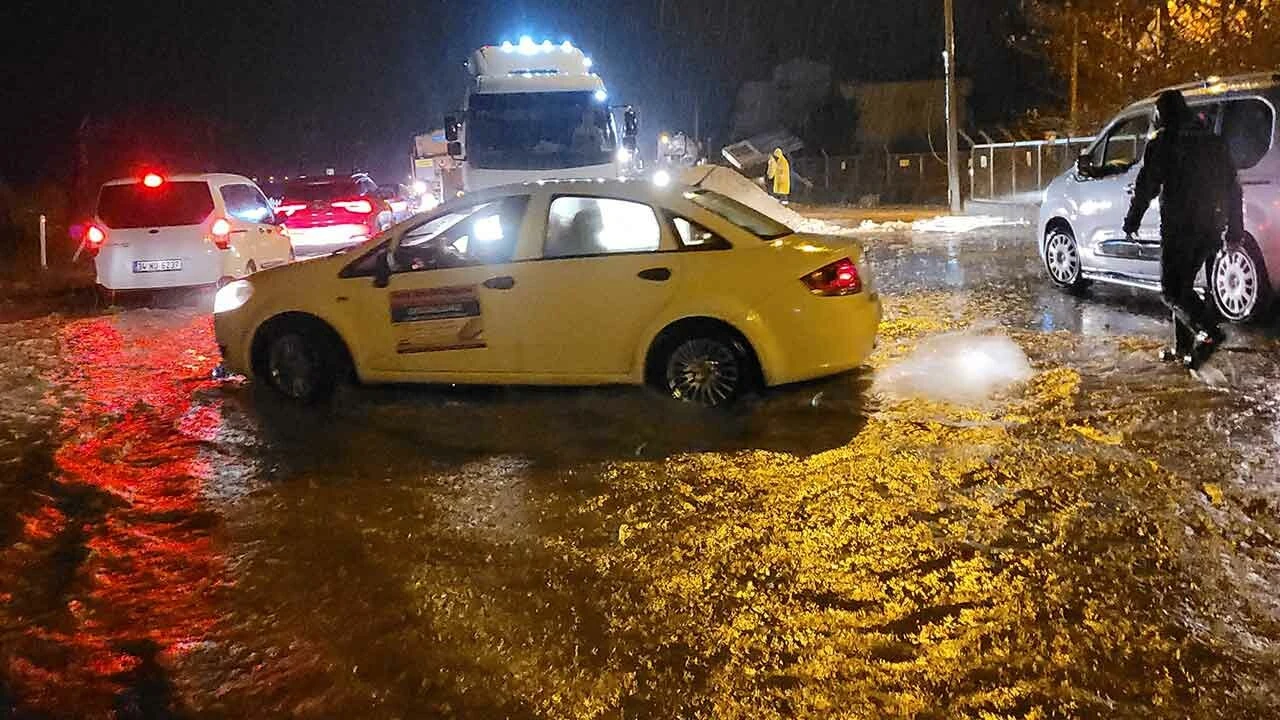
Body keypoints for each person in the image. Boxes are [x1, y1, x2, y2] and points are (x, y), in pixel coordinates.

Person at [1124, 90, 1244, 369]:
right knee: (1184, 286)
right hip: (1210, 228)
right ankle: (1182, 348)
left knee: (1172, 292)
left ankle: (1209, 332)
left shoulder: (1165, 141)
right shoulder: (1214, 142)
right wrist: (1234, 230)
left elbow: (1147, 186)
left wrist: (1132, 220)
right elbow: (1233, 189)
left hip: (1180, 228)